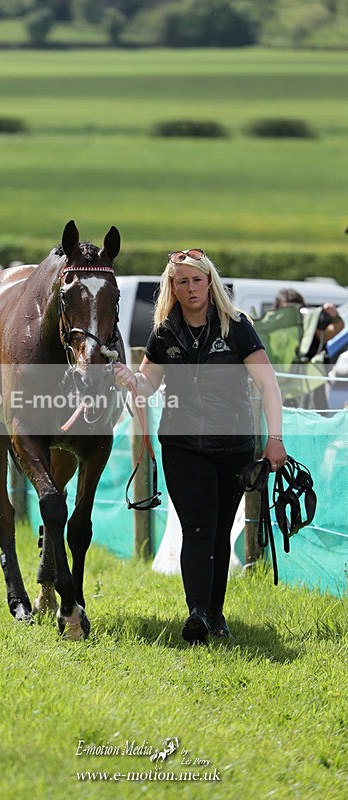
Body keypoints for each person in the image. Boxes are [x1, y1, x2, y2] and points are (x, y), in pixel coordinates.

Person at [114, 248, 287, 645]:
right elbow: (146, 387)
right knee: (197, 528)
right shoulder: (163, 332)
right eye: (181, 281)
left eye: (196, 279)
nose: (190, 288)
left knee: (220, 531)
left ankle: (215, 614)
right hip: (182, 443)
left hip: (235, 446)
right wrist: (126, 377)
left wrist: (274, 439)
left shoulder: (237, 326)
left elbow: (268, 385)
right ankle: (197, 615)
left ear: (209, 282)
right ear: (171, 288)